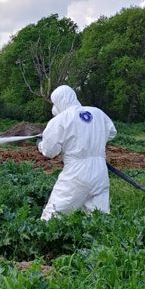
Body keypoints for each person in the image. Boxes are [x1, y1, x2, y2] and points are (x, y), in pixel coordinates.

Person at [38, 85, 117, 221]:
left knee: (53, 216)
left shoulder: (61, 119)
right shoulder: (97, 113)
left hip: (76, 173)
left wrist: (40, 144)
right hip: (100, 172)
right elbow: (111, 133)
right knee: (99, 217)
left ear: (59, 101)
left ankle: (43, 239)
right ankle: (103, 241)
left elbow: (49, 151)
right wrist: (93, 143)